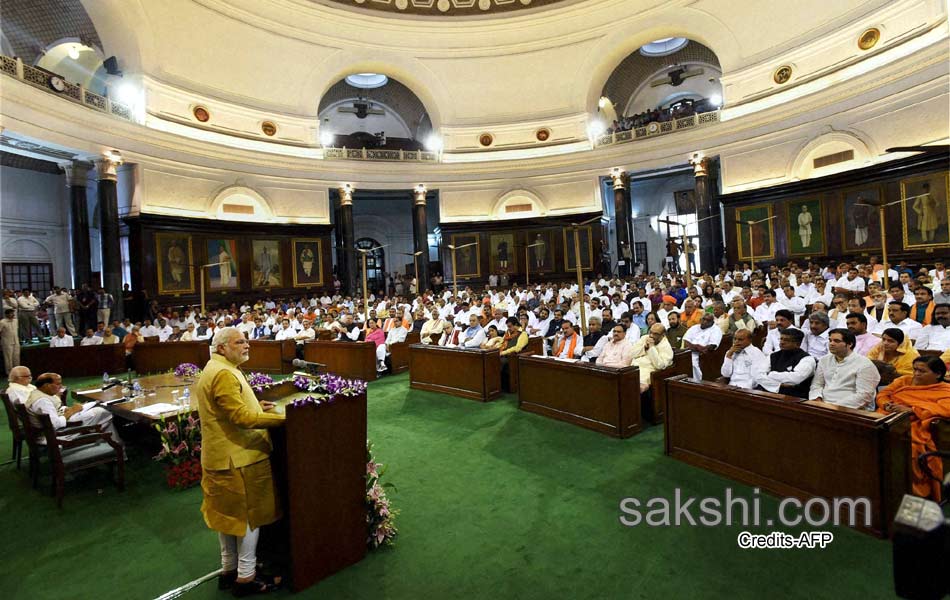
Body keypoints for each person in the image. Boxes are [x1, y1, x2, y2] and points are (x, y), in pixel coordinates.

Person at [195, 328, 285, 595]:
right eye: (240, 342)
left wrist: (258, 407)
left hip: (221, 457)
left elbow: (233, 408)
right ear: (222, 347)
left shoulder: (217, 367)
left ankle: (229, 569)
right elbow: (241, 418)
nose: (247, 345)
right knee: (248, 517)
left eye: (246, 340)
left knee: (227, 517)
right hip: (238, 458)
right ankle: (246, 577)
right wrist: (284, 417)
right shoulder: (223, 373)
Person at [877, 356, 950, 501]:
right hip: (886, 416)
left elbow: (944, 408)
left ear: (938, 374)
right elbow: (883, 394)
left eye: (922, 371)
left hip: (915, 424)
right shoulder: (903, 381)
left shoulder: (945, 390)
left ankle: (914, 492)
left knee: (911, 447)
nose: (916, 374)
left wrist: (912, 410)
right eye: (915, 369)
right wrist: (886, 405)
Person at [25, 372, 120, 442]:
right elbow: (55, 424)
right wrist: (71, 411)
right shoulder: (42, 401)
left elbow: (53, 412)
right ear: (46, 385)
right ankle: (110, 445)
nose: (61, 386)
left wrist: (66, 409)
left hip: (53, 428)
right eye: (58, 384)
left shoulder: (37, 393)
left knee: (98, 412)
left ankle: (115, 445)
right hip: (57, 435)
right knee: (103, 412)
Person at [809, 329, 880, 410]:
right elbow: (816, 384)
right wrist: (816, 400)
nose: (831, 344)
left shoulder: (865, 364)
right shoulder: (824, 360)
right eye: (830, 340)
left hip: (850, 409)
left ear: (849, 344)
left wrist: (833, 407)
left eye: (837, 341)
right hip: (823, 405)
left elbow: (865, 395)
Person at [757, 328, 815, 398]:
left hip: (795, 398)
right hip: (769, 395)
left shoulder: (807, 359)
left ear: (798, 344)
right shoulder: (773, 356)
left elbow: (796, 379)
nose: (782, 342)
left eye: (786, 340)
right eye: (781, 339)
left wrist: (771, 374)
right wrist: (781, 384)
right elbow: (759, 376)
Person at [630, 324, 674, 393]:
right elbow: (631, 353)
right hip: (633, 368)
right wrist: (645, 348)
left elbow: (660, 365)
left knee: (632, 387)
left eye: (655, 334)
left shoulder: (666, 347)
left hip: (648, 372)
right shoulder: (644, 338)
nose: (651, 335)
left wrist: (651, 348)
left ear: (663, 335)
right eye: (650, 332)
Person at [683, 313, 723, 379]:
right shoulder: (694, 328)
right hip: (688, 353)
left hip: (703, 356)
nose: (705, 322)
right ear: (700, 319)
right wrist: (697, 347)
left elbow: (712, 346)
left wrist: (696, 348)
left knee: (693, 364)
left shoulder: (716, 330)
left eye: (708, 320)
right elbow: (686, 342)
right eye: (703, 319)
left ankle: (697, 383)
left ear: (712, 322)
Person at [499, 317, 528, 392]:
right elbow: (501, 343)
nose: (508, 329)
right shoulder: (507, 334)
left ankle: (505, 387)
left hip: (513, 357)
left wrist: (503, 352)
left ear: (516, 325)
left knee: (502, 362)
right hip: (503, 354)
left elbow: (517, 348)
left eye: (510, 326)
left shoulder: (523, 334)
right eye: (507, 327)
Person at [0, 309, 19, 374]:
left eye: (13, 313)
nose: (13, 315)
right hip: (7, 342)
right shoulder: (2, 322)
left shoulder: (16, 321)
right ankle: (9, 373)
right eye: (11, 313)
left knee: (16, 357)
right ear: (6, 314)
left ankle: (17, 372)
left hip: (16, 341)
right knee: (8, 358)